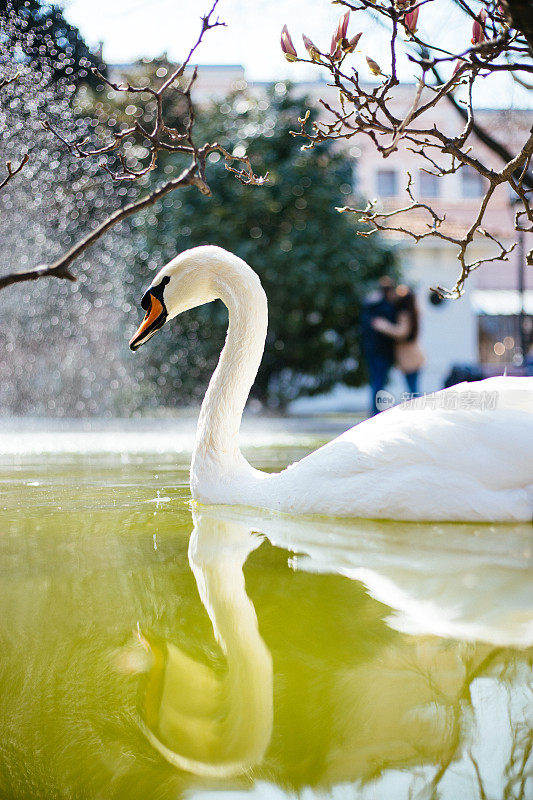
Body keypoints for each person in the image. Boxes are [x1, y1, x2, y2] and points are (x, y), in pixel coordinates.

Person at [372, 285, 425, 397]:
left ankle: (419, 412)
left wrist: (383, 326)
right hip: (413, 356)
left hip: (410, 358)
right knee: (413, 388)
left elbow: (401, 332)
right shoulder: (413, 311)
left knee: (413, 389)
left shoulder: (404, 313)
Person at [360, 276, 397, 415]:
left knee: (376, 381)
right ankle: (376, 412)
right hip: (382, 351)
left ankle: (376, 411)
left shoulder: (370, 303)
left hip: (371, 349)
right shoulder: (386, 306)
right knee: (379, 382)